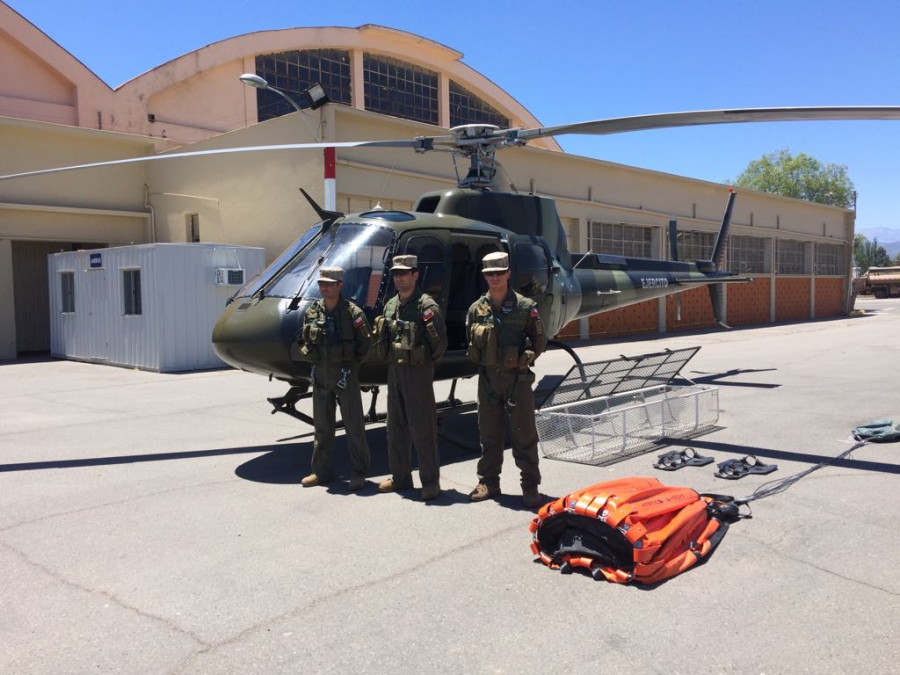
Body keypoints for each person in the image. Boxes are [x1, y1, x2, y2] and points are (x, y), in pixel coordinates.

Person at [466, 251, 548, 508]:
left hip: (518, 380)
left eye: (499, 273)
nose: (494, 278)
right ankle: (489, 482)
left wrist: (529, 355)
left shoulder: (525, 306)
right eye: (489, 274)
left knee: (524, 433)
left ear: (508, 273)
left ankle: (530, 484)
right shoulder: (477, 309)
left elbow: (539, 339)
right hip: (489, 379)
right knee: (489, 434)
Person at [375, 254, 448, 501]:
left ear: (415, 275)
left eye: (404, 273)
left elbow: (439, 345)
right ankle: (401, 477)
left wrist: (420, 361)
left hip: (417, 373)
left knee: (423, 429)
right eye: (396, 273)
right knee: (395, 428)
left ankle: (430, 482)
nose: (399, 277)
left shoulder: (427, 307)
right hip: (395, 373)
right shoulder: (391, 305)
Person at [297, 266, 373, 491]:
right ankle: (321, 472)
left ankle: (359, 472)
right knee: (322, 428)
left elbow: (366, 343)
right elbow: (305, 340)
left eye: (329, 283)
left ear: (340, 285)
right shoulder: (313, 311)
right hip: (321, 375)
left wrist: (352, 365)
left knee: (354, 426)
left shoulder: (353, 313)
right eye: (322, 283)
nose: (324, 287)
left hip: (345, 375)